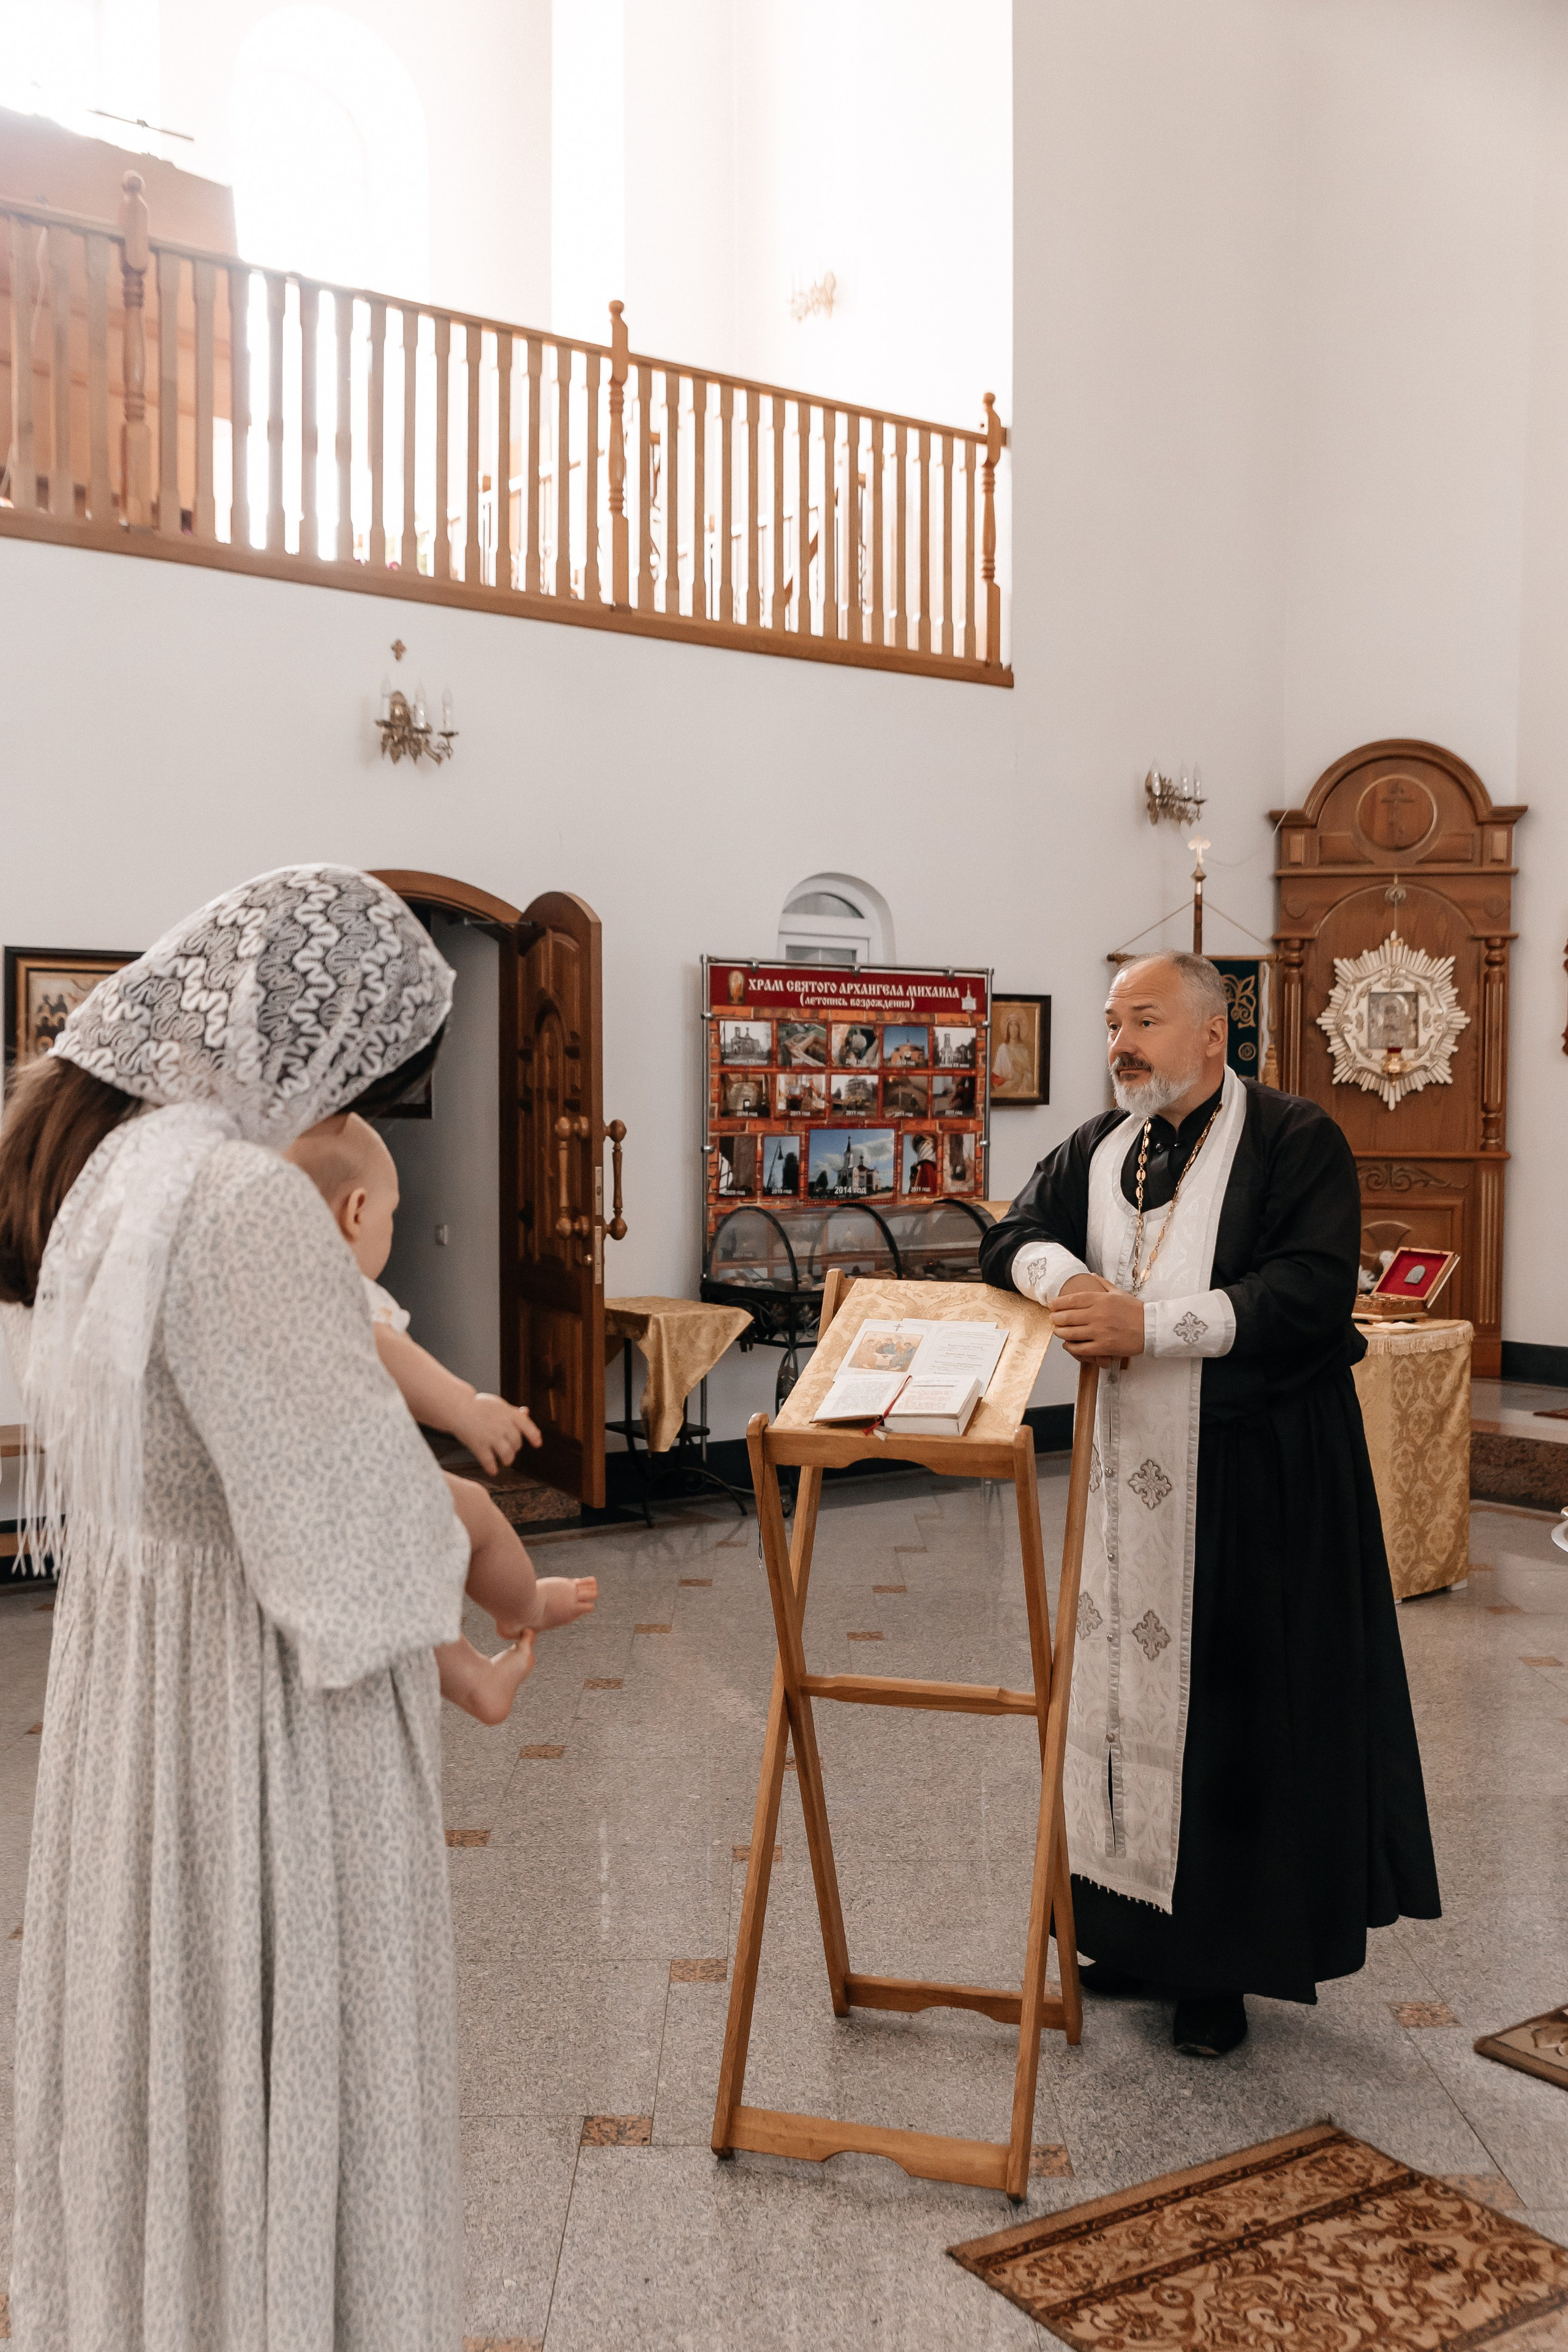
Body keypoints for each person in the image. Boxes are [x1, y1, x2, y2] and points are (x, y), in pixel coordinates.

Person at [0, 867, 489, 2345]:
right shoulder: (244, 1197)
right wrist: (469, 1550)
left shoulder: (125, 1172)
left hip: (141, 1685)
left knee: (168, 2039)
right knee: (279, 2034)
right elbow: (336, 1515)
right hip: (262, 1705)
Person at [979, 951, 1439, 2059]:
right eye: (1110, 1024)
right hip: (1124, 1477)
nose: (1120, 1044)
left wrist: (1157, 1327)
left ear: (1211, 1034)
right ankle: (1131, 1935)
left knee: (1235, 1719)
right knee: (1119, 1713)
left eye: (1143, 1021)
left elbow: (1314, 1290)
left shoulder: (1293, 1139)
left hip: (1258, 1479)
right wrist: (1070, 1284)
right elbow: (1009, 1234)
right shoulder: (1102, 1146)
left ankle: (1221, 1970)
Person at [284, 1111, 597, 1726]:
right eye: (391, 1216)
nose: (391, 1230)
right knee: (476, 1516)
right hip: (357, 1490)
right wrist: (464, 1407)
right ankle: (523, 1605)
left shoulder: (272, 1290)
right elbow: (383, 1349)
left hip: (307, 1501)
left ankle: (474, 1679)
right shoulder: (335, 1290)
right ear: (356, 1212)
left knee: (408, 1586)